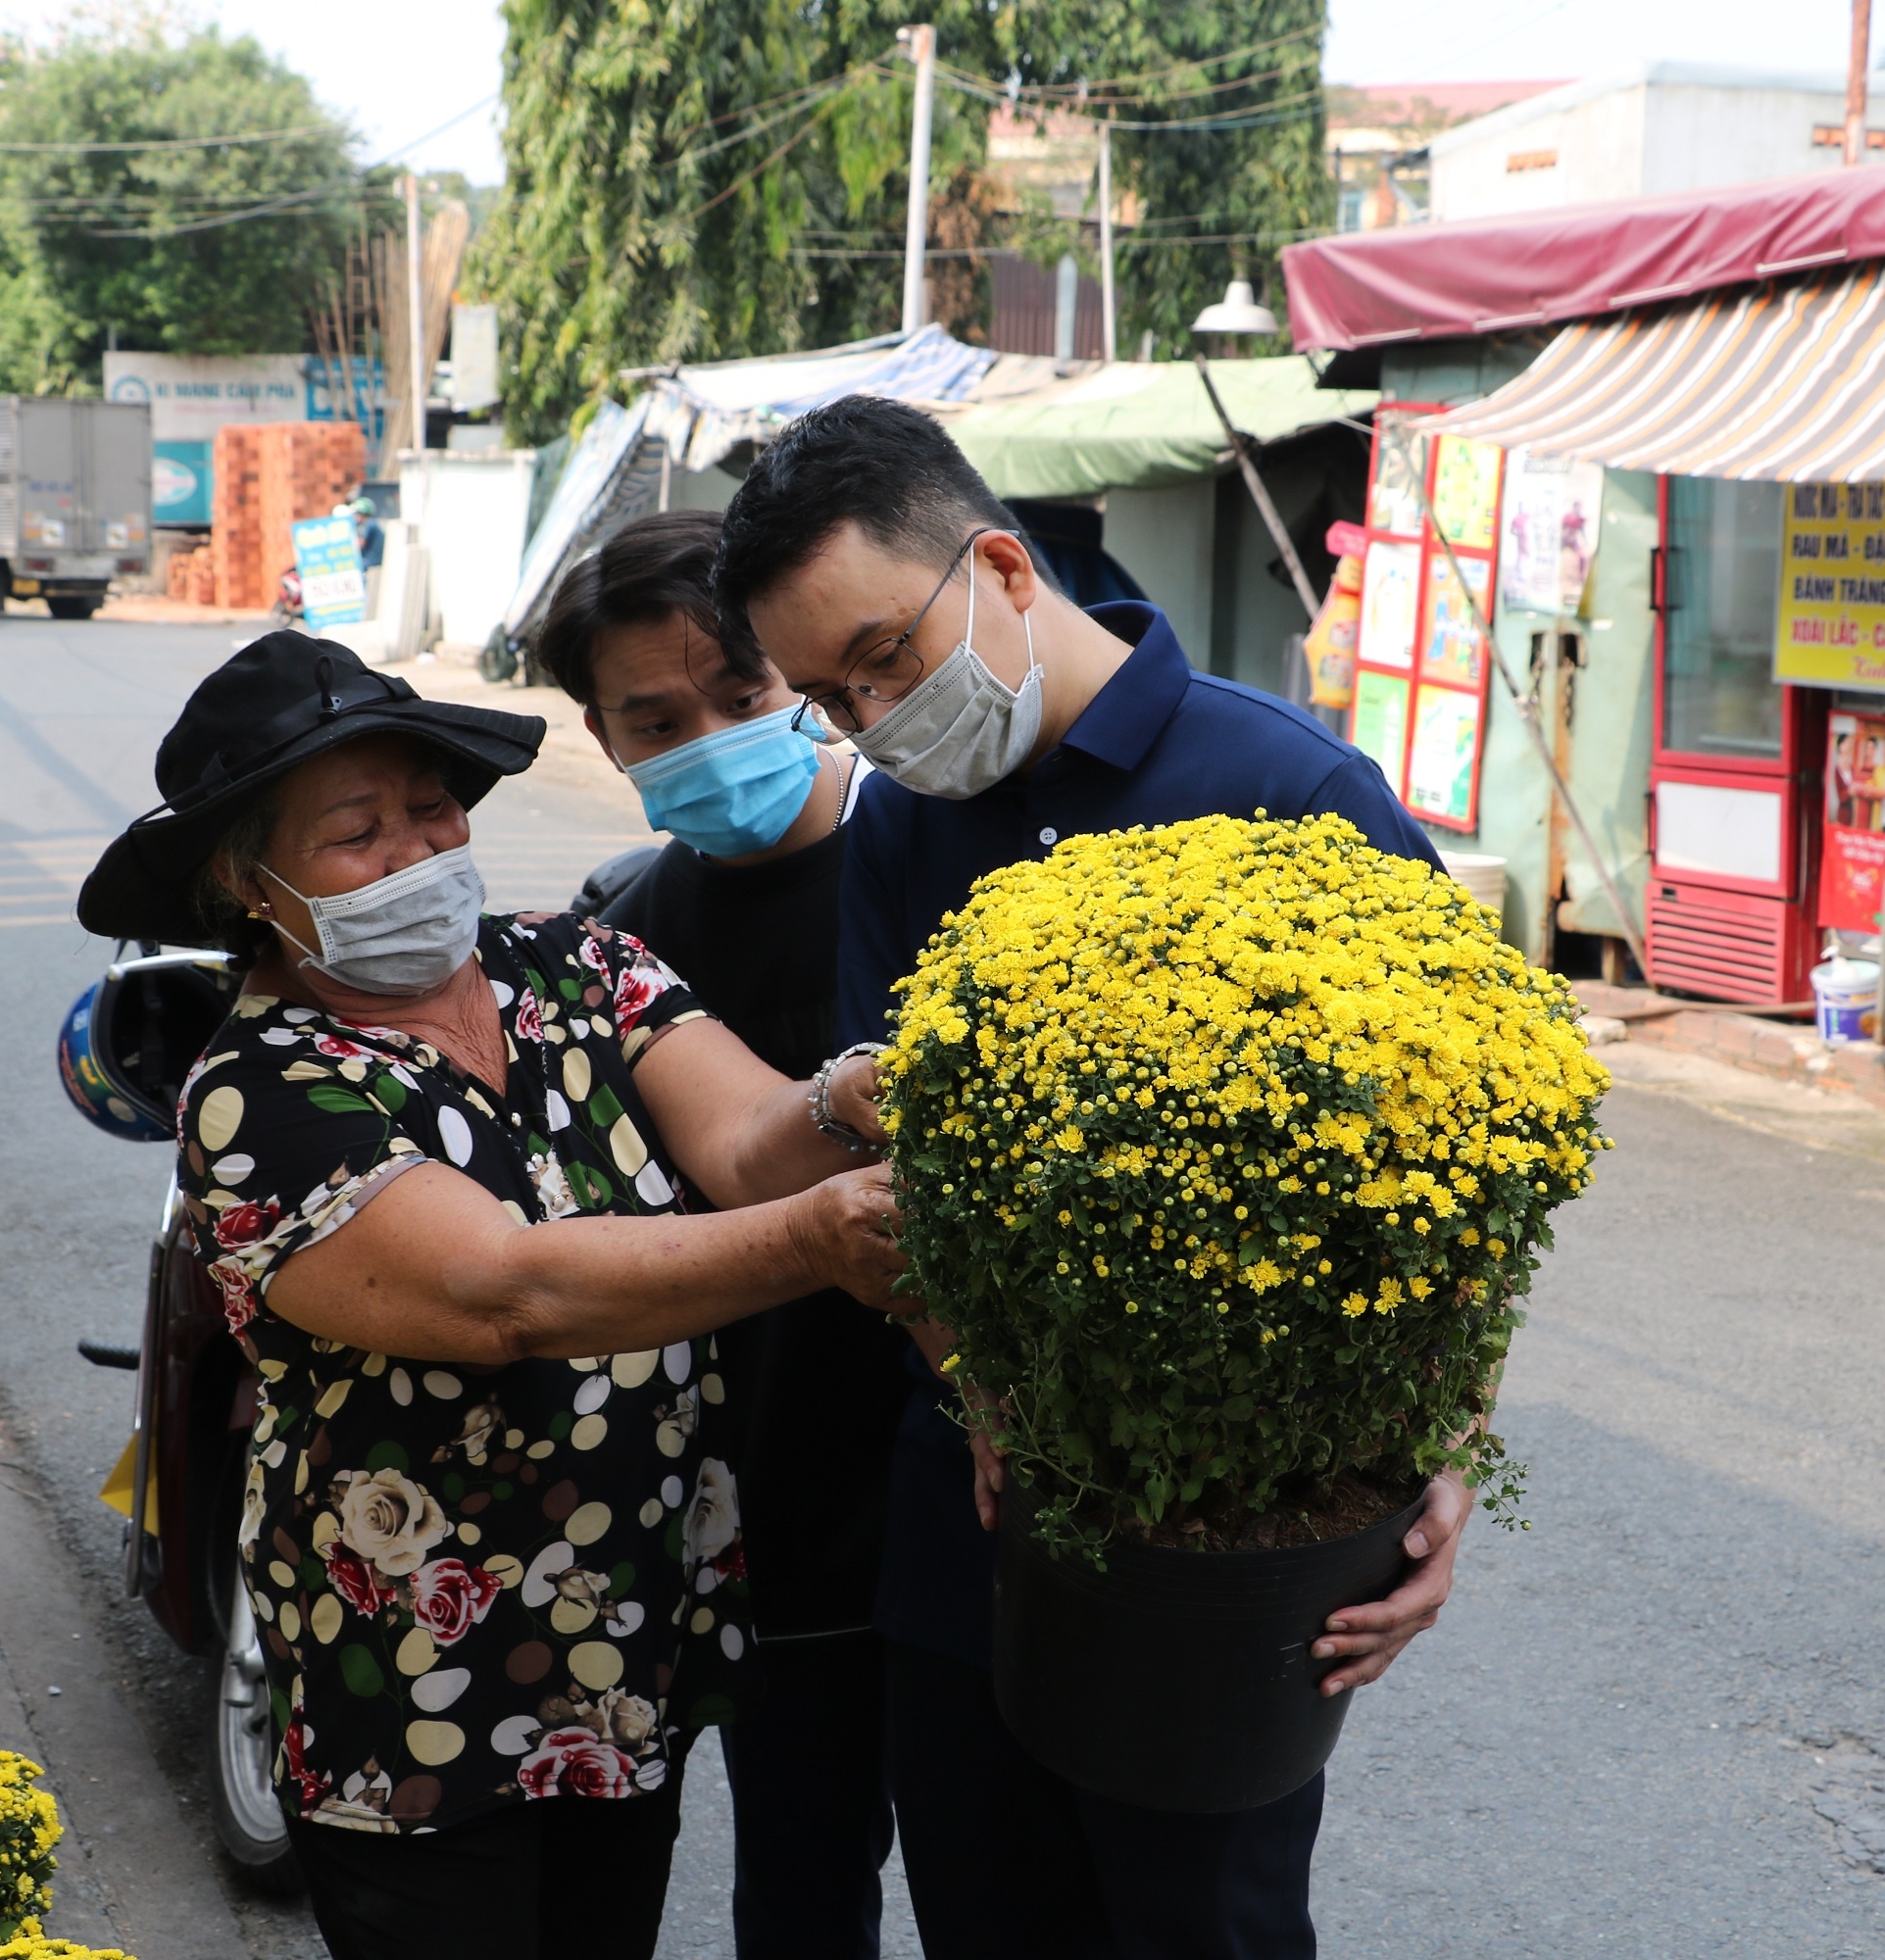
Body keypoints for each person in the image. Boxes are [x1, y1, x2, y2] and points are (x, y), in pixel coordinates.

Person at [710, 396, 1469, 1959]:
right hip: (967, 1527)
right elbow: (898, 1153)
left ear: (996, 565)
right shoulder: (901, 832)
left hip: (1225, 1545)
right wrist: (979, 1385)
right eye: (830, 700)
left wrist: (1432, 1449)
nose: (872, 721)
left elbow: (1458, 1164)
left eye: (885, 660)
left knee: (1205, 1927)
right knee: (992, 1919)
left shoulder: (1295, 799)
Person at [74, 631, 904, 1960]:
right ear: (251, 883)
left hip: (624, 1631)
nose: (418, 852)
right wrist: (815, 1241)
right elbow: (501, 1294)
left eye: (432, 807)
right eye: (357, 833)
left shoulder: (577, 966)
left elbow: (751, 1137)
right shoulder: (258, 1089)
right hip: (416, 1684)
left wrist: (850, 1096)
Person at [536, 509, 916, 1960]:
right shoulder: (612, 934)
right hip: (702, 1500)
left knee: (933, 1872)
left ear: (802, 682)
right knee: (742, 1883)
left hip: (912, 1497)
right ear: (605, 738)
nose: (709, 735)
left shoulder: (930, 876)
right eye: (657, 718)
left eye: (743, 697)